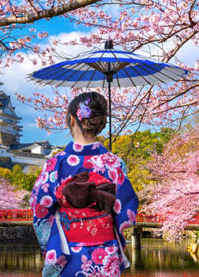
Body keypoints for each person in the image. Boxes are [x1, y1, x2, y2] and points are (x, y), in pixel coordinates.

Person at [30, 92, 139, 277]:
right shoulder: (114, 163)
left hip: (68, 253)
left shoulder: (56, 163)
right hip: (105, 255)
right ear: (99, 123)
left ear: (73, 120)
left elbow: (39, 206)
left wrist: (49, 243)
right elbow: (127, 212)